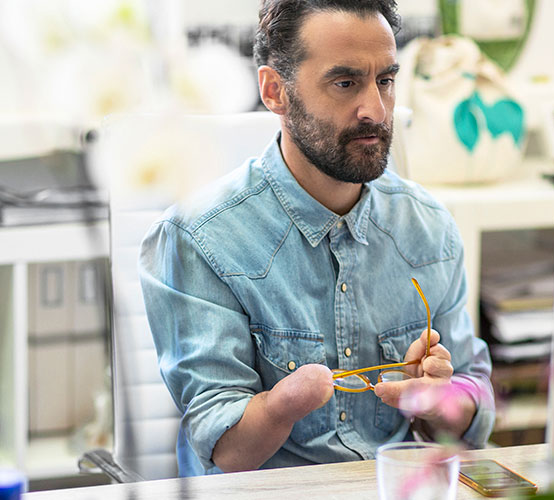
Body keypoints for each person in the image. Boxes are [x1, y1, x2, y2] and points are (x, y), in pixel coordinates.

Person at [139, 0, 495, 476]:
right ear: (275, 91)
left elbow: (474, 397)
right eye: (345, 82)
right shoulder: (196, 238)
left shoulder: (428, 226)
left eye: (385, 80)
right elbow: (225, 452)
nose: (376, 109)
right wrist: (281, 406)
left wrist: (440, 401)